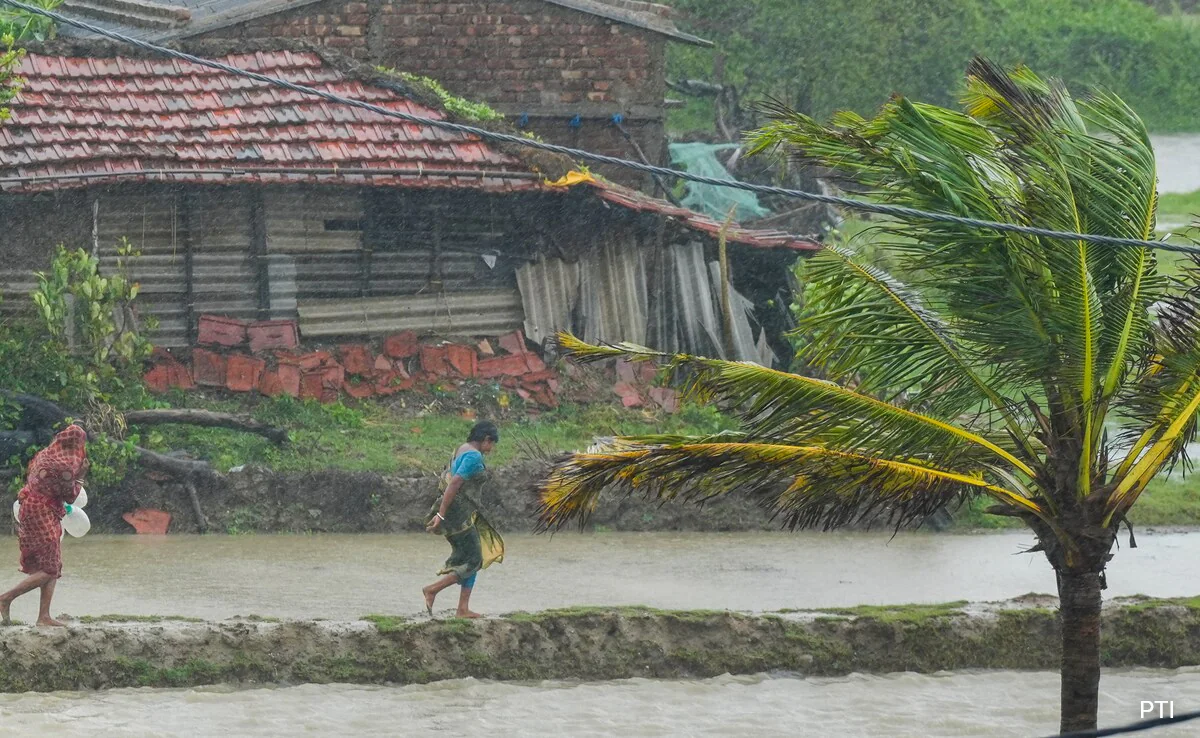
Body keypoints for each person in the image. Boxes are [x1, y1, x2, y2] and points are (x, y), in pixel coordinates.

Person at [1, 424, 88, 627]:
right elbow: (70, 496)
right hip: (42, 511)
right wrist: (81, 474)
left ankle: (44, 617)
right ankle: (6, 598)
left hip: (30, 505)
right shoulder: (66, 466)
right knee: (49, 569)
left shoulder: (47, 453)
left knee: (52, 563)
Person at [422, 420, 504, 618]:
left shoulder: (462, 448)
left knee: (471, 557)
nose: (491, 449)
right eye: (491, 444)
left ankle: (462, 609)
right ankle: (432, 590)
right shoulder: (474, 456)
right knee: (475, 559)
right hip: (458, 514)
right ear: (485, 439)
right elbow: (455, 483)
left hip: (459, 512)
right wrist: (441, 514)